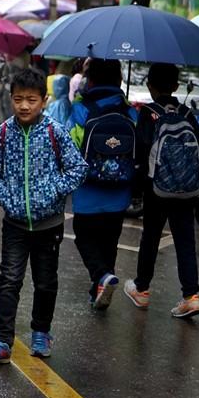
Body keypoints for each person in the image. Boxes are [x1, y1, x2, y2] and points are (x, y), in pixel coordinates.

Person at [0, 69, 87, 364]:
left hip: (49, 225)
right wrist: (8, 199)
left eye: (31, 100)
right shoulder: (3, 133)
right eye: (18, 99)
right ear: (11, 100)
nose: (24, 106)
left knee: (45, 281)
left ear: (44, 100)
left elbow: (77, 168)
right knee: (9, 280)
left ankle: (41, 332)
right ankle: (2, 341)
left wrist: (52, 192)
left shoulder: (55, 131)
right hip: (14, 224)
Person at [124, 64, 199, 318]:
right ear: (176, 85)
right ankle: (191, 296)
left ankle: (142, 289)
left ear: (150, 86)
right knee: (185, 240)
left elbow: (141, 152)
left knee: (150, 236)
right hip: (187, 189)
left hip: (156, 188)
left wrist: (136, 189)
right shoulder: (186, 112)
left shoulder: (148, 113)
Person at [62, 59, 138, 310]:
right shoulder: (128, 111)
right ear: (119, 80)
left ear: (90, 80)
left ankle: (101, 277)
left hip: (88, 190)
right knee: (109, 242)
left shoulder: (82, 109)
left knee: (83, 236)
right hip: (120, 191)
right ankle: (99, 289)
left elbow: (69, 144)